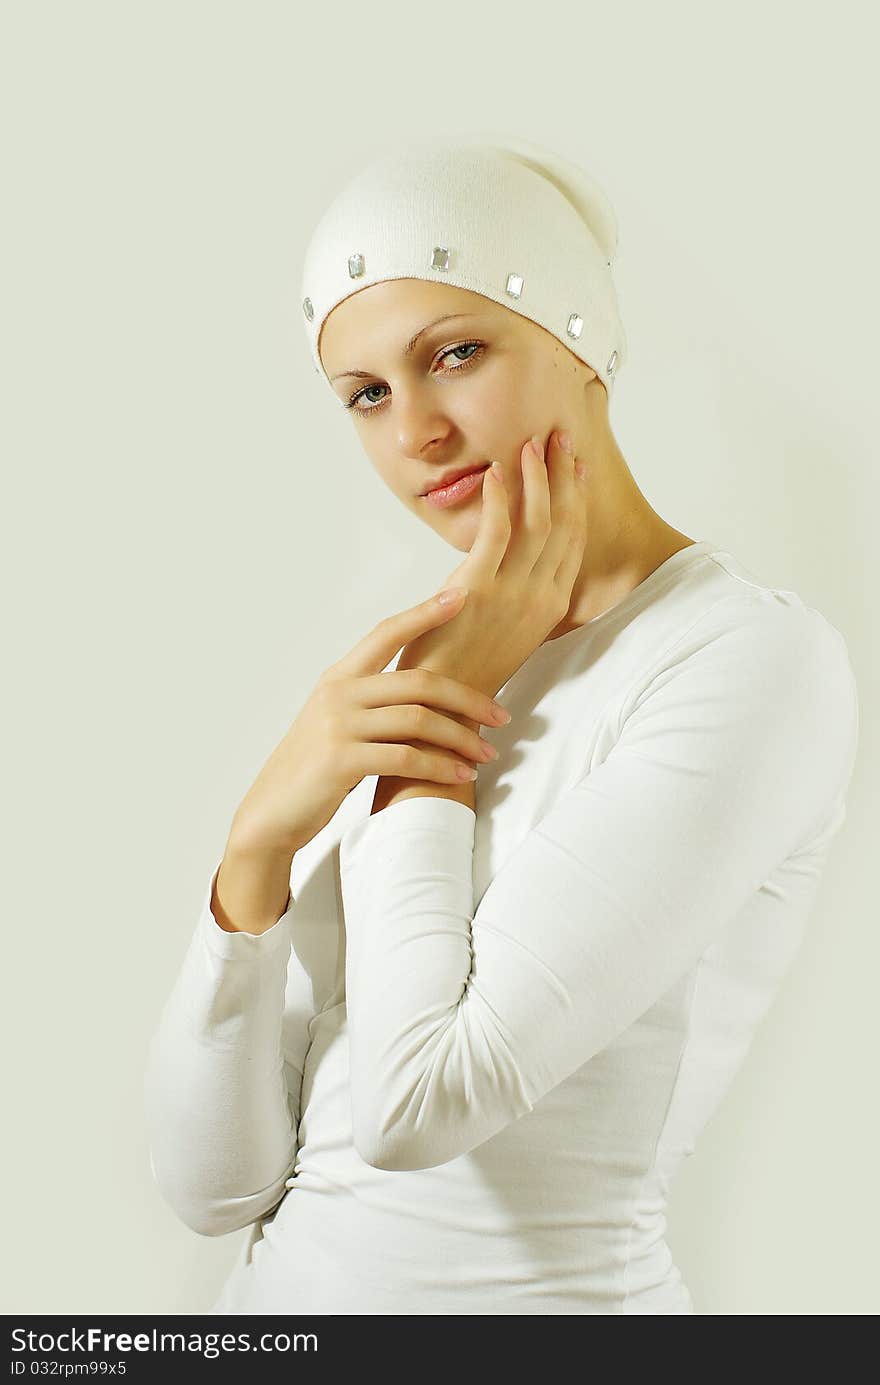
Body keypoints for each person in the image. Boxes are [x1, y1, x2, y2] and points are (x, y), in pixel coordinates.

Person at [143, 135, 860, 1315]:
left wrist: (449, 716)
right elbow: (213, 1187)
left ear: (582, 342)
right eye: (367, 394)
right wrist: (252, 858)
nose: (415, 430)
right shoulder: (404, 675)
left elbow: (422, 1104)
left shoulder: (747, 661)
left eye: (456, 354)